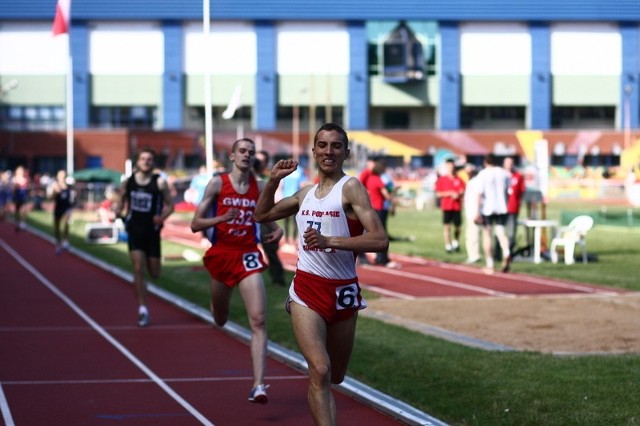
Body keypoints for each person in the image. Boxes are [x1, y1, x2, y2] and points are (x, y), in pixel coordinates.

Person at [254, 123, 389, 425]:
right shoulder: (305, 194)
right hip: (307, 290)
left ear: (346, 152)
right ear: (313, 151)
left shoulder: (351, 188)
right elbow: (261, 215)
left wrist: (331, 242)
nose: (329, 151)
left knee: (336, 375)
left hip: (343, 291)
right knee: (320, 369)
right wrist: (272, 181)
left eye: (336, 146)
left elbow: (379, 239)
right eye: (323, 145)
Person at [190, 138, 283, 404]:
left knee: (259, 320)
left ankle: (258, 385)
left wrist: (276, 230)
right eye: (242, 151)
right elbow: (196, 224)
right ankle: (217, 307)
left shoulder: (260, 187)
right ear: (232, 156)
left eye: (251, 153)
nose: (247, 155)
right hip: (222, 254)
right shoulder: (218, 183)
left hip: (248, 255)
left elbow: (268, 220)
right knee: (220, 317)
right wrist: (221, 218)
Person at [117, 148, 175, 327]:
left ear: (153, 162)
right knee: (137, 267)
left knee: (155, 273)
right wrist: (118, 211)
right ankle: (142, 309)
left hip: (152, 232)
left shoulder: (160, 182)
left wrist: (161, 218)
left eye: (149, 159)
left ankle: (144, 290)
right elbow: (120, 201)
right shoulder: (128, 182)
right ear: (137, 161)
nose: (146, 161)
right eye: (143, 159)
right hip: (135, 229)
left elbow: (171, 206)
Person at [475, 153, 512, 274]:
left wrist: (477, 211)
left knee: (487, 234)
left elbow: (480, 193)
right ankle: (506, 252)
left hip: (488, 208)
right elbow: (508, 191)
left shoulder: (483, 174)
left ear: (485, 162)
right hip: (502, 207)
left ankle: (489, 263)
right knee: (501, 232)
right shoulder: (504, 173)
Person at [255, 150, 286, 286]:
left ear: (266, 163)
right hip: (248, 219)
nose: (256, 164)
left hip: (264, 220)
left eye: (260, 161)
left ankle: (278, 279)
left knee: (270, 250)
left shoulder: (268, 179)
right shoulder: (248, 178)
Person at [364, 157, 396, 267]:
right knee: (382, 235)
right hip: (380, 208)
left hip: (373, 208)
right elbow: (386, 195)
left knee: (377, 234)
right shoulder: (378, 179)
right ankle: (383, 258)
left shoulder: (370, 179)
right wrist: (394, 197)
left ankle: (379, 257)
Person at [434, 158, 465, 253]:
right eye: (449, 165)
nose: (451, 167)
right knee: (447, 227)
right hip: (447, 206)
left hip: (457, 206)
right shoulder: (442, 179)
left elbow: (463, 190)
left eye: (452, 165)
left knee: (457, 227)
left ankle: (455, 242)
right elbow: (438, 193)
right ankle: (448, 245)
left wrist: (458, 194)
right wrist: (449, 193)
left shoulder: (459, 179)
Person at [49, 169, 75, 254]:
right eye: (60, 176)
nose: (62, 177)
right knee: (57, 227)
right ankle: (58, 244)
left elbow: (72, 197)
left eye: (63, 176)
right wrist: (55, 192)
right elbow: (51, 198)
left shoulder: (68, 186)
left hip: (66, 208)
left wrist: (72, 207)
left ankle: (65, 241)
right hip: (58, 208)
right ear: (57, 176)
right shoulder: (55, 186)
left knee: (66, 224)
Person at [462, 164, 481, 264]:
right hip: (470, 211)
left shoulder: (476, 182)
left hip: (474, 212)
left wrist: (478, 212)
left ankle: (474, 255)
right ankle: (473, 254)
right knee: (470, 234)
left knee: (473, 234)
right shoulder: (470, 182)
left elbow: (479, 197)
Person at [11, 165, 31, 231]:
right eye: (19, 170)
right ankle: (18, 222)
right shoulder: (14, 179)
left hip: (23, 195)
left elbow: (27, 188)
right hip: (17, 196)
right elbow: (13, 188)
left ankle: (23, 223)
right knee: (17, 210)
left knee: (23, 209)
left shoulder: (25, 178)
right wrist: (16, 186)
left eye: (21, 171)